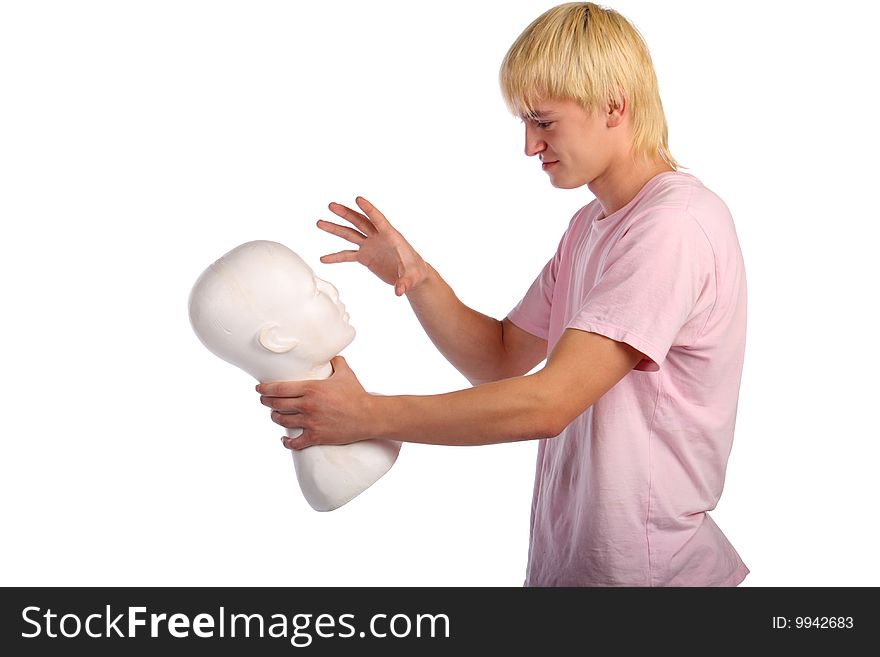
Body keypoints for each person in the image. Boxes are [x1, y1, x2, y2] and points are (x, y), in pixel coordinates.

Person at [257, 2, 748, 586]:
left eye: (543, 121)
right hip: (574, 571)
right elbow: (499, 357)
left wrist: (367, 415)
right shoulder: (592, 226)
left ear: (615, 104)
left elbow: (549, 402)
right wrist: (416, 276)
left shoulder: (672, 227)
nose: (529, 145)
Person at [189, 240, 401, 512]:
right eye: (314, 291)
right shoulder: (333, 476)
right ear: (278, 339)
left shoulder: (380, 413)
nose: (332, 290)